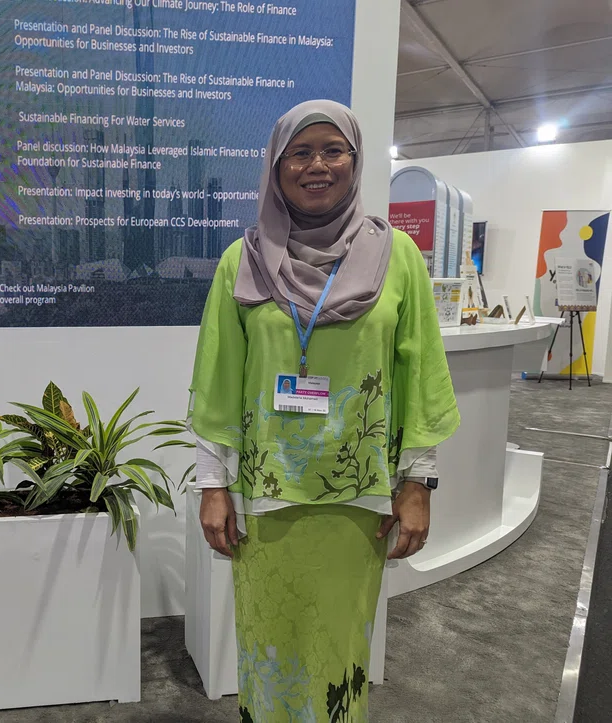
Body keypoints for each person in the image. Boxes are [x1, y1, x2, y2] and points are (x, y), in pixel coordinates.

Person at [190, 100, 460, 722]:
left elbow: (418, 379)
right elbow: (217, 383)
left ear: (355, 161)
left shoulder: (399, 260)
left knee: (339, 654)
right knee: (269, 650)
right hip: (266, 500)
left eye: (333, 150)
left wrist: (416, 485)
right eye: (300, 153)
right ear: (276, 167)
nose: (317, 165)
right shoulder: (244, 260)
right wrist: (212, 486)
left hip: (357, 503)